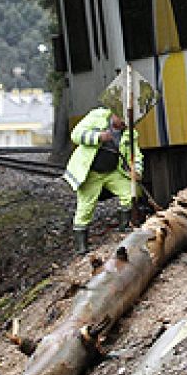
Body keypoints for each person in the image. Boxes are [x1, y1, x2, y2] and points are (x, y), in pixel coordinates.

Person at [62, 93, 144, 254]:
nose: (124, 124)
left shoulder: (130, 133)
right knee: (85, 207)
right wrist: (97, 137)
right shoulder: (97, 116)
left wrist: (137, 170)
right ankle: (81, 245)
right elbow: (76, 135)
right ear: (114, 114)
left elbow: (136, 155)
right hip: (91, 172)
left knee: (130, 192)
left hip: (113, 171)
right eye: (123, 120)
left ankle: (125, 227)